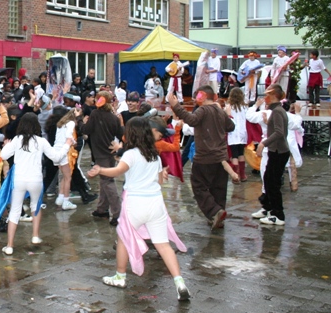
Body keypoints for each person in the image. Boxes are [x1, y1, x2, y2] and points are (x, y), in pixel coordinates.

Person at [89, 117, 190, 301]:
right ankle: (180, 283)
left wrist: (100, 170)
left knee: (123, 239)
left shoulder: (131, 154)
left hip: (135, 203)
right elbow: (159, 181)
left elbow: (118, 171)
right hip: (156, 204)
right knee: (163, 244)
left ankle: (120, 276)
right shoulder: (155, 155)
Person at [0, 113, 73, 255]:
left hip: (19, 180)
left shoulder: (16, 140)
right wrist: (66, 145)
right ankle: (35, 236)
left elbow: (3, 156)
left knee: (15, 211)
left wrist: (6, 146)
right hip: (36, 180)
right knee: (36, 206)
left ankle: (9, 245)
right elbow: (56, 157)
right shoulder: (41, 141)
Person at [168, 86, 235, 229]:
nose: (195, 99)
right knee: (219, 188)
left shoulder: (203, 110)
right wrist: (226, 115)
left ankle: (215, 211)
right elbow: (230, 126)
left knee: (199, 187)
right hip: (221, 158)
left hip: (205, 157)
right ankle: (217, 217)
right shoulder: (220, 111)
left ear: (203, 95)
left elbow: (191, 120)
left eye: (197, 95)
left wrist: (176, 106)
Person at [77, 91, 123, 226]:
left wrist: (80, 120)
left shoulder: (95, 114)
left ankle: (117, 214)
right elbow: (121, 133)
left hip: (100, 153)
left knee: (107, 183)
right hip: (109, 153)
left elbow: (86, 130)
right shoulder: (113, 117)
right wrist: (119, 145)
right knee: (104, 182)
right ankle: (102, 209)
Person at [253, 85, 291, 225]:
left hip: (279, 152)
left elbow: (279, 132)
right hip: (276, 151)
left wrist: (264, 143)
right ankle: (268, 208)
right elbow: (277, 128)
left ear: (274, 95)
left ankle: (278, 214)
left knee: (272, 183)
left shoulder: (277, 111)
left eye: (267, 95)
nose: (265, 98)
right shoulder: (276, 111)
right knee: (268, 180)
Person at [54, 108, 80, 211]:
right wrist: (73, 142)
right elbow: (68, 135)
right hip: (63, 151)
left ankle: (60, 197)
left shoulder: (60, 124)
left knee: (64, 177)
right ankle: (66, 201)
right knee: (68, 177)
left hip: (56, 150)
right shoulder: (71, 123)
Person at [224, 87, 249, 182]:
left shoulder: (229, 107)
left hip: (233, 133)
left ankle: (236, 175)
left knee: (234, 154)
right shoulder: (245, 107)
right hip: (243, 133)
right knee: (241, 153)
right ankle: (242, 175)